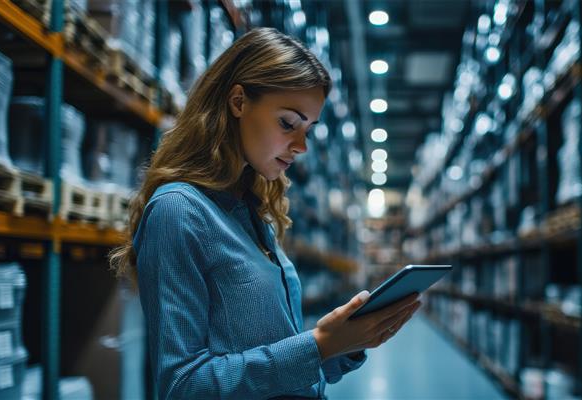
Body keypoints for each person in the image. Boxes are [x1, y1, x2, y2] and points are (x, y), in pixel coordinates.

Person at [109, 27, 421, 399]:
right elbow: (183, 386)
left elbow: (280, 366)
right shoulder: (179, 211)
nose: (301, 145)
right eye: (288, 123)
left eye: (308, 128)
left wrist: (347, 342)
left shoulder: (250, 213)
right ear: (238, 101)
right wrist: (318, 344)